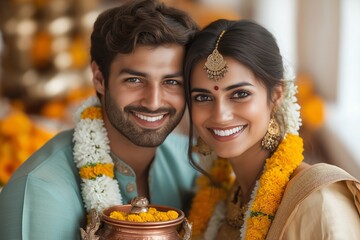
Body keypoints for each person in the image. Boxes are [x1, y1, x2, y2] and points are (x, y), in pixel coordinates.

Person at [0, 0, 199, 239]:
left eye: (171, 82)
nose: (154, 101)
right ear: (99, 78)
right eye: (134, 80)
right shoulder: (39, 191)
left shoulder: (193, 168)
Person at [183, 19, 360, 239]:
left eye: (240, 94)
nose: (220, 115)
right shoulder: (227, 199)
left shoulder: (318, 199)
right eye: (203, 97)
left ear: (276, 96)